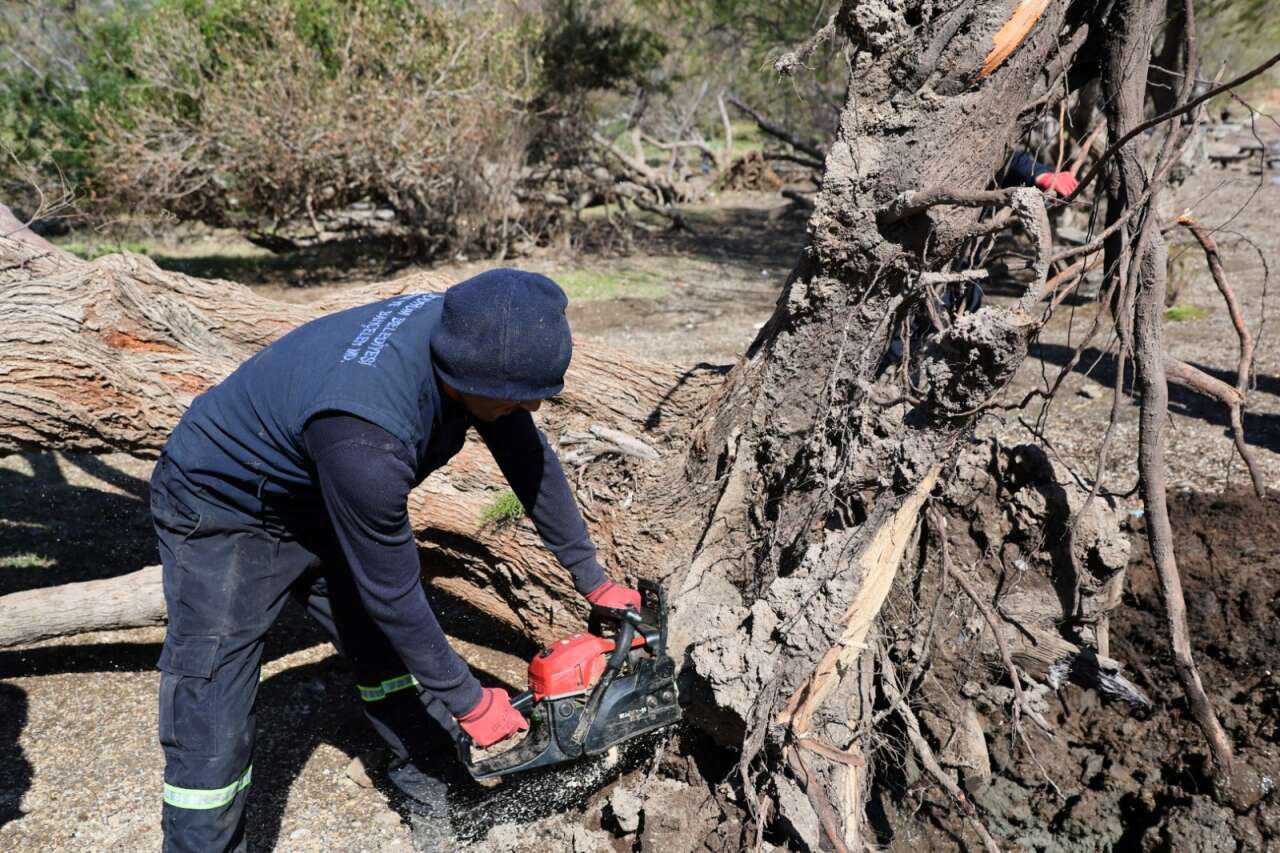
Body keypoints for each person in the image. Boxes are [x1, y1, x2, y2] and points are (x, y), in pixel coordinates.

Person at [149, 268, 641, 852]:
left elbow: (526, 454)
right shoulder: (365, 436)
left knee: (384, 650)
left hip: (322, 487)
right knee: (213, 686)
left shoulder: (472, 331)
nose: (532, 404)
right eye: (519, 395)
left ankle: (434, 793)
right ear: (466, 375)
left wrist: (592, 577)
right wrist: (470, 701)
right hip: (225, 505)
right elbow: (393, 591)